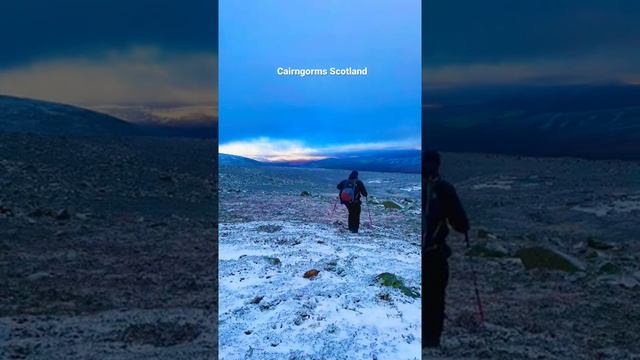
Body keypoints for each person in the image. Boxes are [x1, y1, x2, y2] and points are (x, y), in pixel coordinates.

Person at [422, 150, 469, 348]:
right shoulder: (443, 189)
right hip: (434, 254)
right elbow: (461, 224)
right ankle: (431, 342)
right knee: (435, 299)